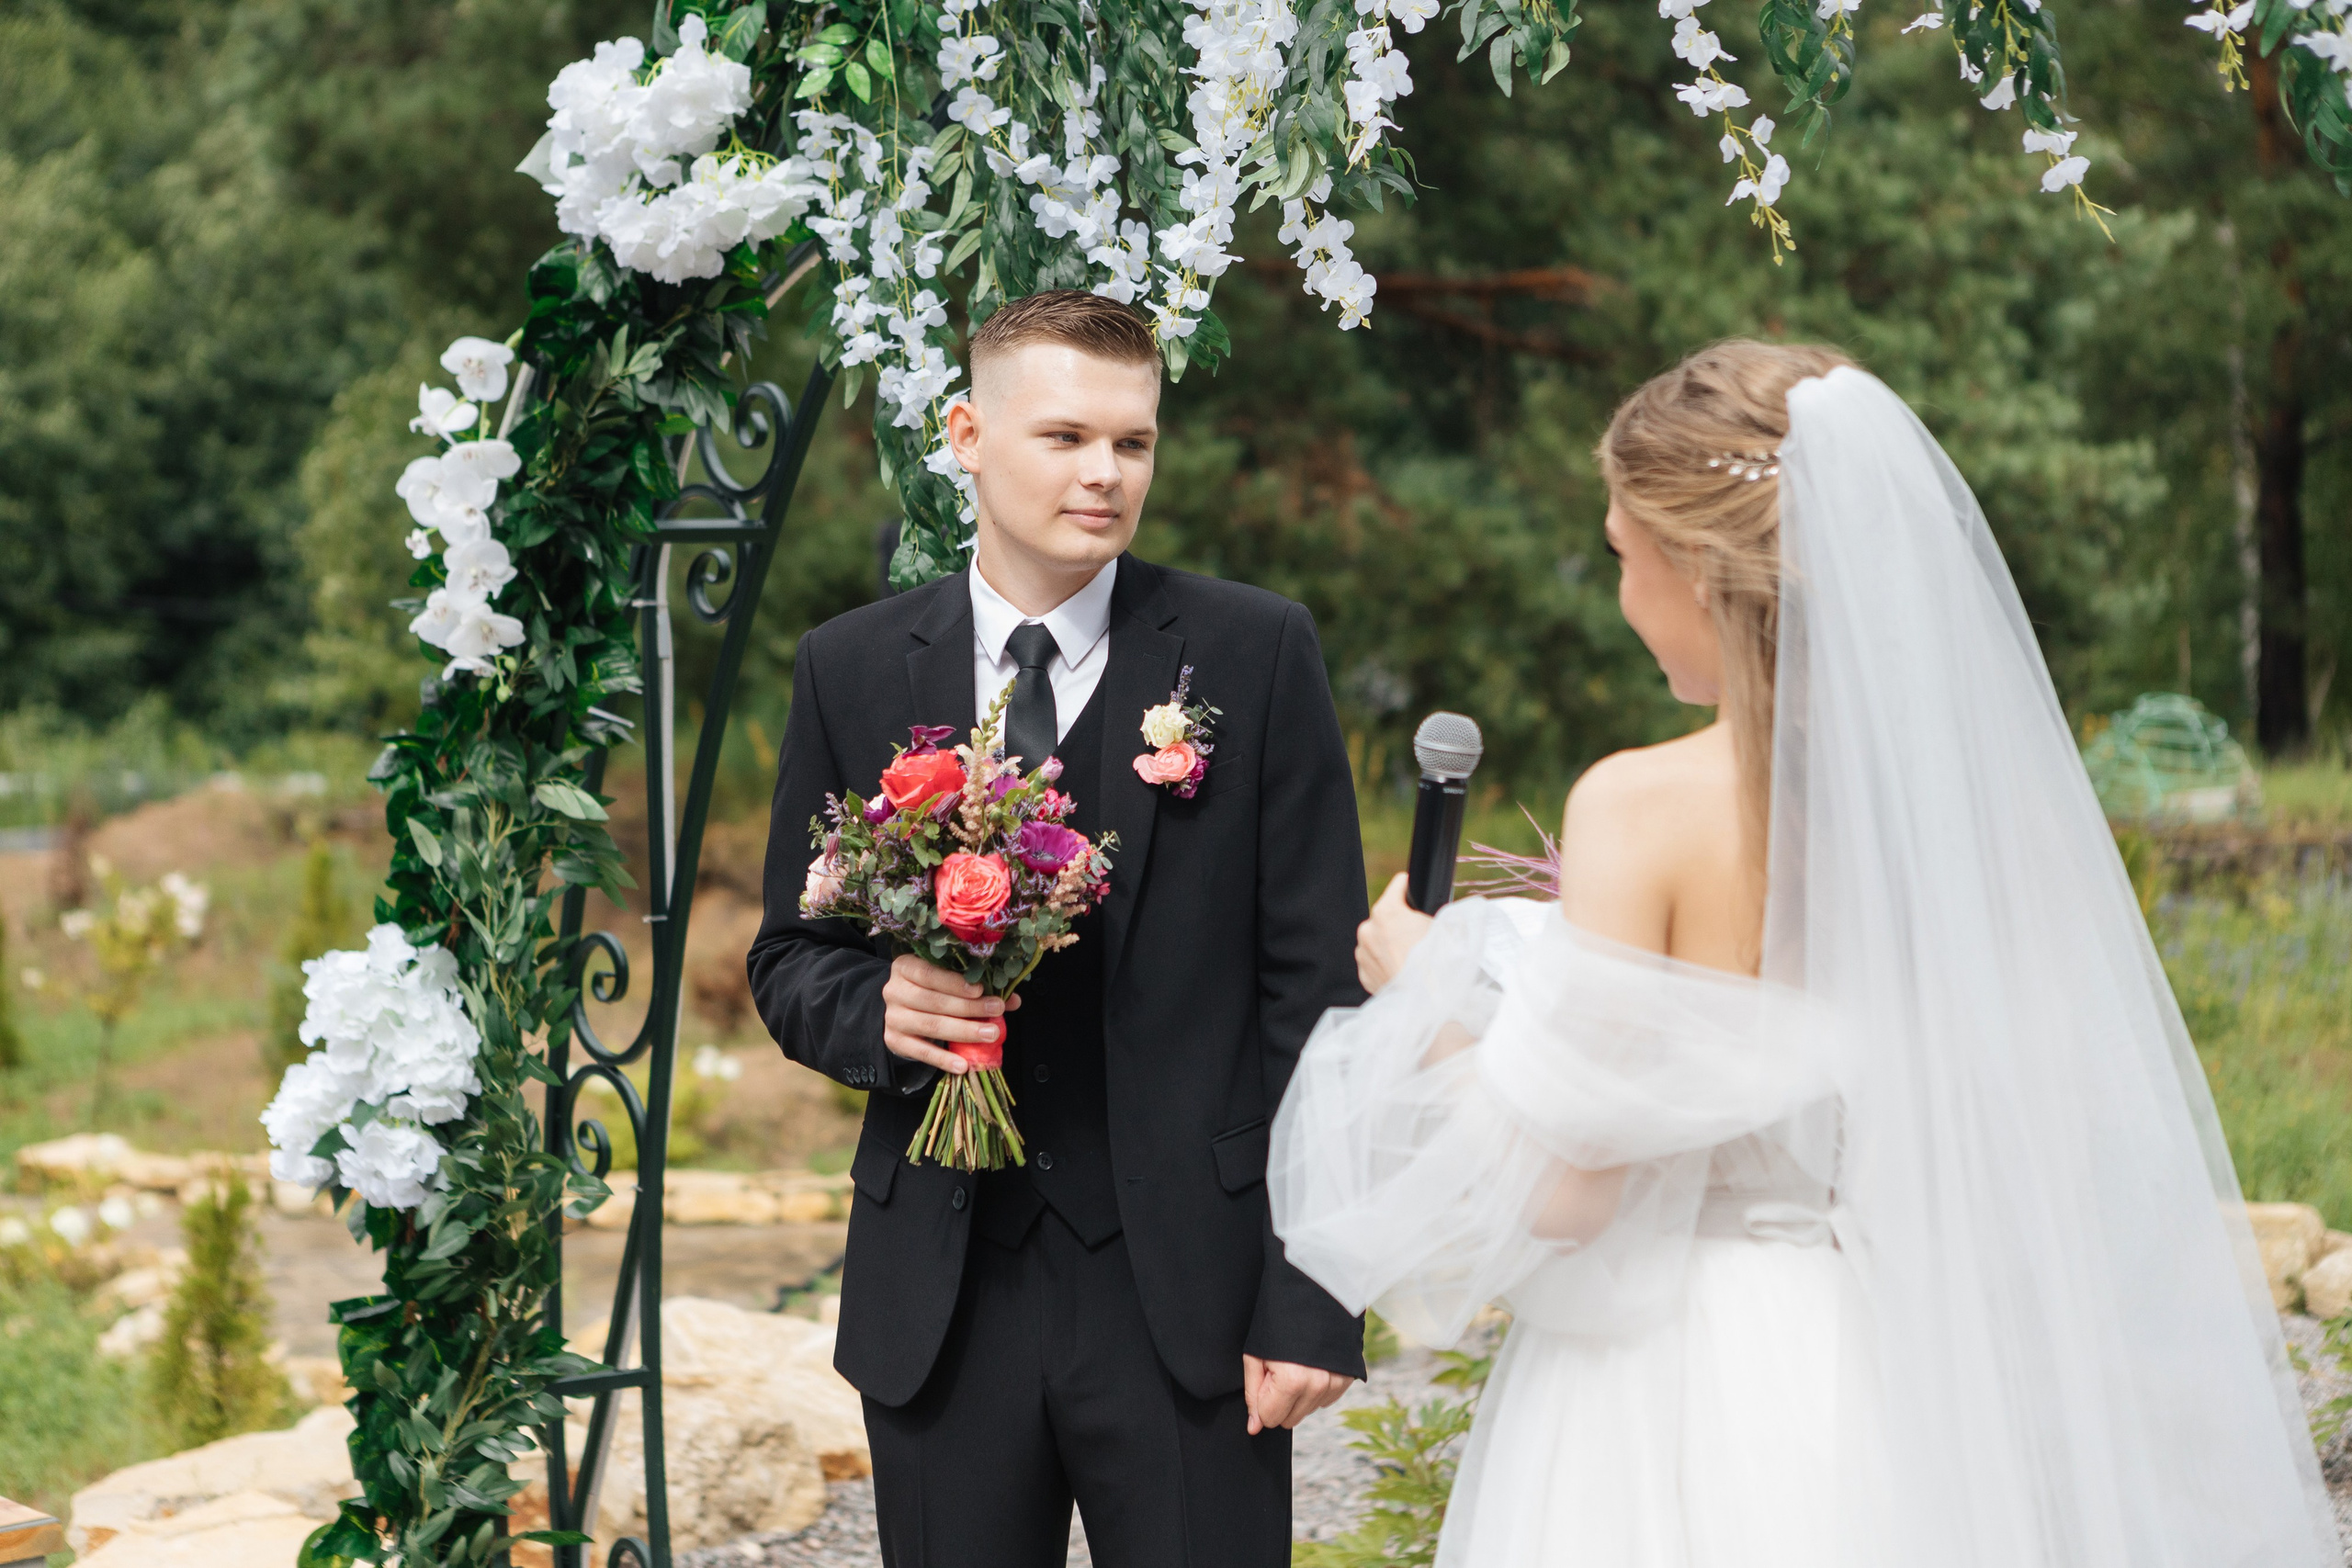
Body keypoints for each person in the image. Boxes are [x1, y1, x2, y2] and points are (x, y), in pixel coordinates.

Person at [1268, 342, 2342, 1568]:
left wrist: (1437, 995)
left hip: (1666, 1379)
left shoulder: (1641, 806)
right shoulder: (1985, 819)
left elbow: (1572, 1190)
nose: (1620, 599)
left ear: (1695, 566)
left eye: (1624, 556)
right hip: (1900, 1363)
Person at [747, 289, 1367, 1567]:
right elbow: (788, 955)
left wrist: (1314, 1296)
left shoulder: (1253, 654)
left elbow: (1320, 999)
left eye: (1133, 444)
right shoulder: (850, 668)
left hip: (1189, 1298)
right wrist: (880, 1011)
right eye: (1068, 438)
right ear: (968, 434)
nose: (1106, 474)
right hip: (946, 1294)